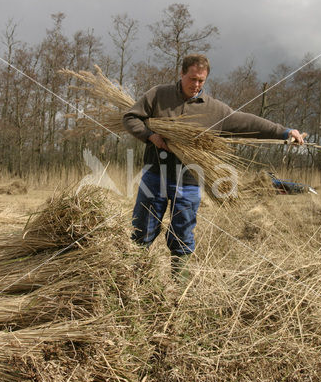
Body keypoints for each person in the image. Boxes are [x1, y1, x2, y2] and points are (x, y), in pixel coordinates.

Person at [122, 54, 304, 279]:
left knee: (182, 234)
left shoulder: (214, 110)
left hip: (189, 180)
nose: (196, 84)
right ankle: (132, 281)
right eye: (192, 78)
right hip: (155, 175)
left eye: (201, 81)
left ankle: (178, 287)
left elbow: (248, 122)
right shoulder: (159, 95)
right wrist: (150, 136)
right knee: (143, 229)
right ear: (181, 74)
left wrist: (285, 132)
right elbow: (130, 117)